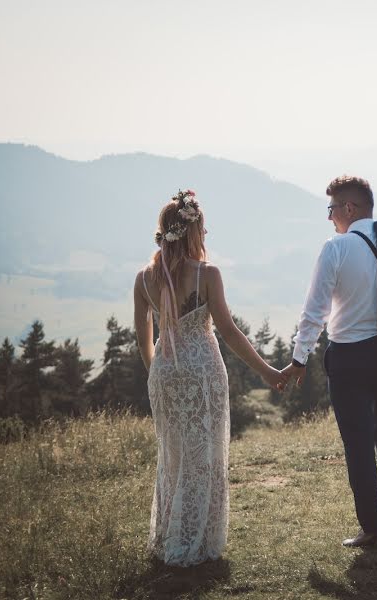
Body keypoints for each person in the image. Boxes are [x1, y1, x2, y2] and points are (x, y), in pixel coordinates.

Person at [283, 175, 377, 549]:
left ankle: (372, 530)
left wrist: (298, 358)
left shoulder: (336, 249)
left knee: (358, 444)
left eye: (332, 209)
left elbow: (315, 311)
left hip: (351, 357)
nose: (330, 217)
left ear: (349, 208)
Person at [133, 189, 286, 566]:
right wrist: (268, 372)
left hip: (165, 375)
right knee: (204, 457)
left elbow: (143, 339)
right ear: (193, 231)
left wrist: (161, 374)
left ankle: (171, 534)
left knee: (173, 457)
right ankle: (195, 543)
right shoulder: (208, 274)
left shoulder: (143, 278)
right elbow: (229, 332)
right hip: (202, 373)